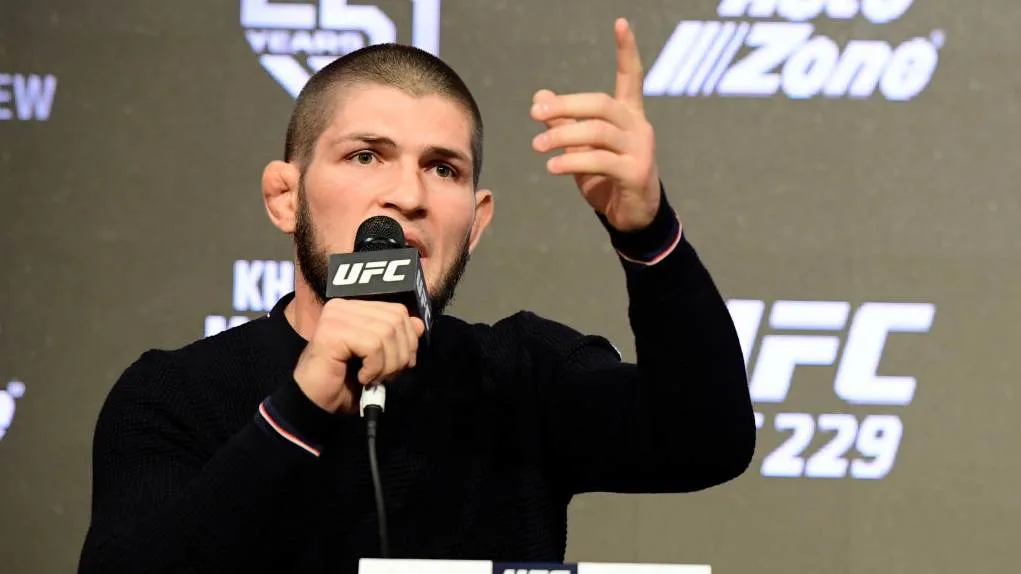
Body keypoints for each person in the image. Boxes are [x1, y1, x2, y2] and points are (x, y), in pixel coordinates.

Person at [78, 18, 755, 574]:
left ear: (476, 222)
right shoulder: (174, 394)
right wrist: (301, 407)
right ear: (285, 197)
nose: (407, 195)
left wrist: (647, 232)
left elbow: (707, 439)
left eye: (442, 168)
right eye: (365, 156)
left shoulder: (522, 374)